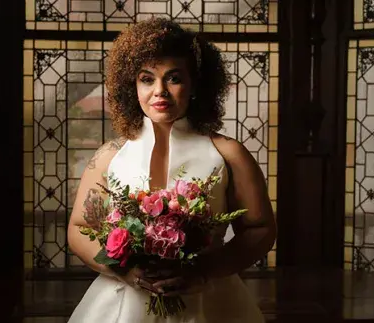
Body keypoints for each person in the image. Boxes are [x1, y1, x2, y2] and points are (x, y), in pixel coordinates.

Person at [67, 18, 276, 323]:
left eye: (174, 78)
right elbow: (78, 228)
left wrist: (202, 271)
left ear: (195, 85)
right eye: (147, 79)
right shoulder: (108, 157)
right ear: (132, 85)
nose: (160, 91)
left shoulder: (229, 154)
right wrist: (124, 270)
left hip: (210, 305)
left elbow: (260, 229)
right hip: (122, 305)